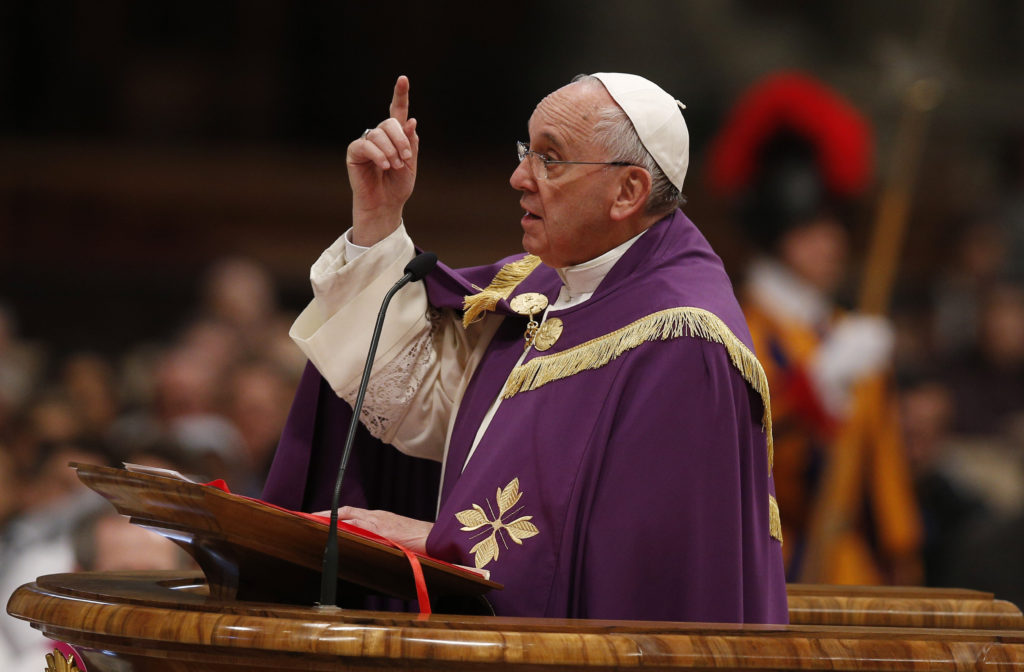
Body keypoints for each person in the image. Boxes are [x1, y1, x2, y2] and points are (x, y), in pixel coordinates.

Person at [264, 73, 788, 623]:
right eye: (525, 151)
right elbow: (426, 407)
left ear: (628, 191)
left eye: (550, 159)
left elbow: (638, 569)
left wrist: (439, 543)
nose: (519, 177)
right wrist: (378, 219)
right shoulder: (545, 288)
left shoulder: (683, 342)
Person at [707, 72, 922, 585]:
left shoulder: (850, 333)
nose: (831, 243)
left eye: (835, 226)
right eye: (810, 229)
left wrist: (903, 555)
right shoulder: (736, 326)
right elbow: (734, 444)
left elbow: (884, 466)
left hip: (858, 568)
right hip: (772, 567)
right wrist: (814, 385)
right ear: (776, 235)